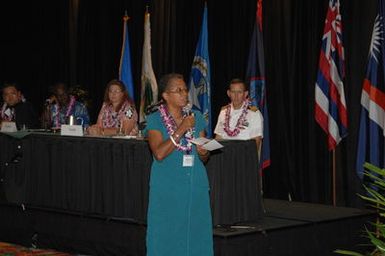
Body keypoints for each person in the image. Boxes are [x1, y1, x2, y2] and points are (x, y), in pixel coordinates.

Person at [145, 73, 213, 256]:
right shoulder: (154, 119)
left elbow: (204, 153)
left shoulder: (196, 117)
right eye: (178, 90)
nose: (184, 94)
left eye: (185, 89)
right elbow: (159, 153)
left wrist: (204, 152)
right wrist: (182, 128)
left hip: (194, 186)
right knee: (166, 232)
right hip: (168, 187)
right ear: (166, 96)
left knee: (197, 232)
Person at [214, 78, 263, 149]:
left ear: (245, 94)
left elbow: (256, 143)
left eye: (239, 92)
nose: (236, 96)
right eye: (233, 92)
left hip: (244, 155)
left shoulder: (254, 113)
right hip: (225, 155)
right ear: (228, 93)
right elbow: (218, 138)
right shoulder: (223, 112)